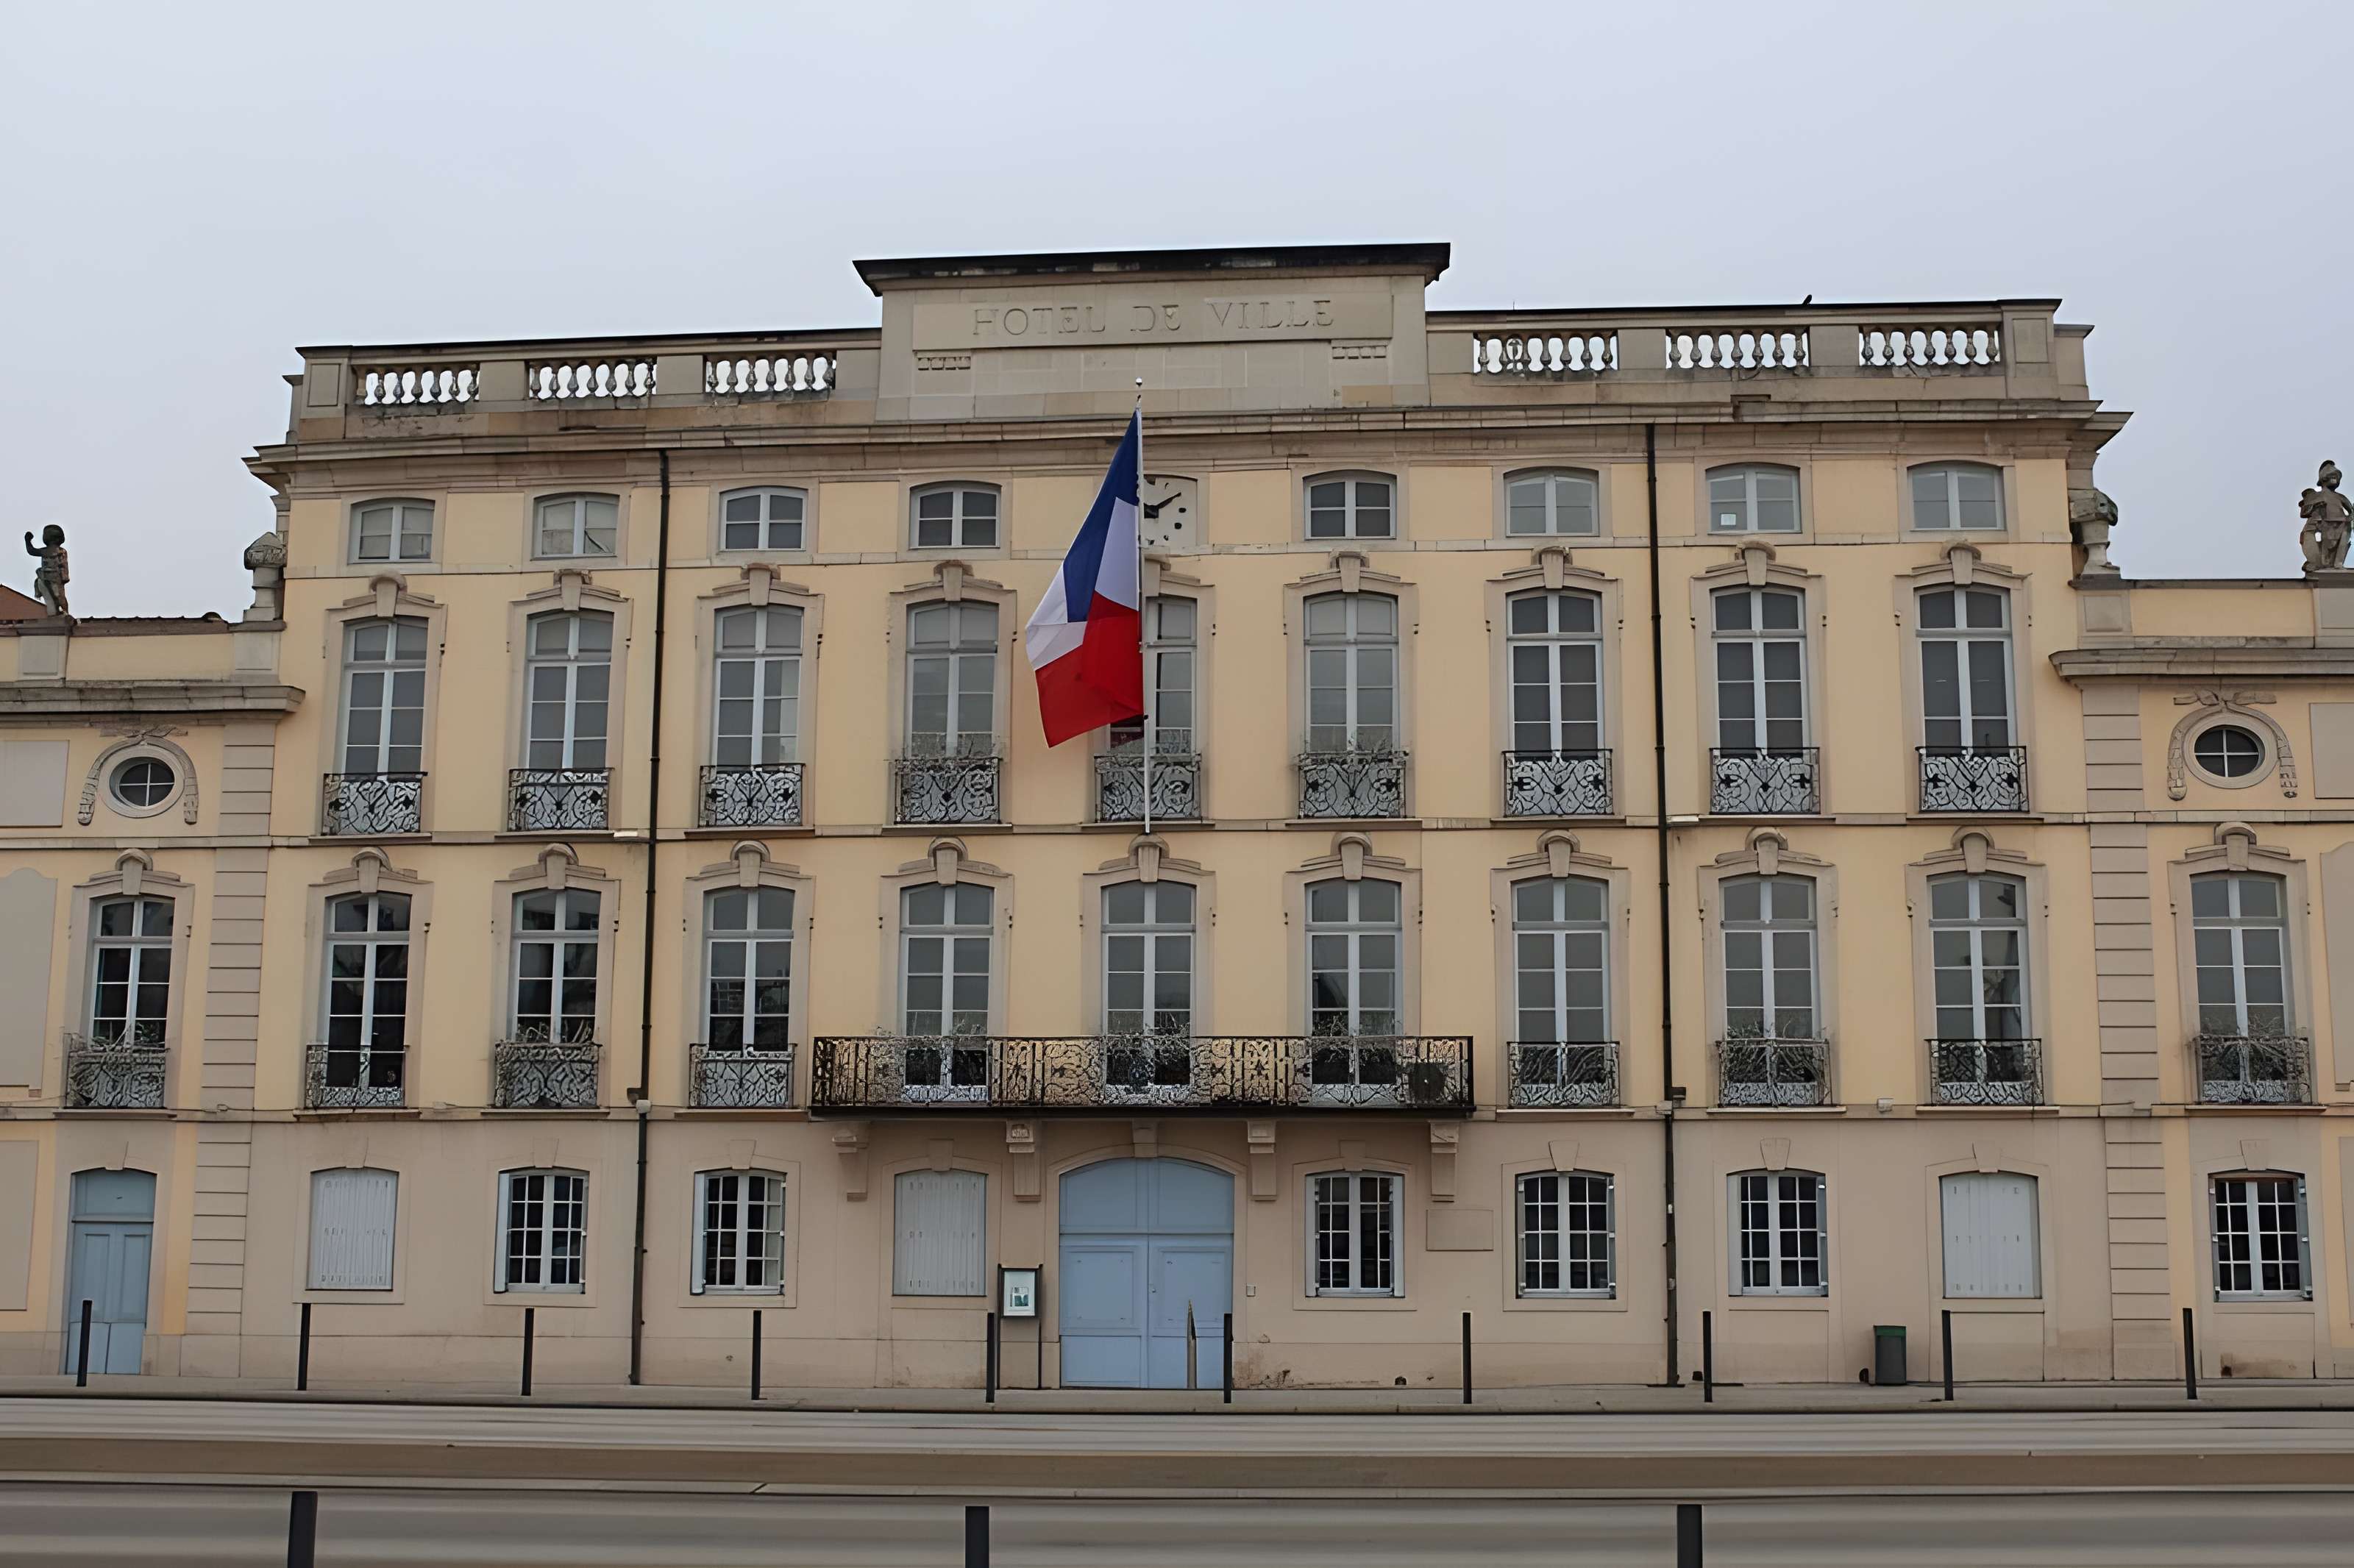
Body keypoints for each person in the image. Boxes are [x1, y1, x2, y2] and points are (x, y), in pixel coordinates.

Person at [21, 524, 68, 616]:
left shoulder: (56, 551)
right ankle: (57, 613)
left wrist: (27, 540)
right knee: (55, 597)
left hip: (53, 578)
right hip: (47, 578)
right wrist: (27, 540)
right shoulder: (58, 551)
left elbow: (32, 551)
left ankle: (60, 612)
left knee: (58, 597)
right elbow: (32, 551)